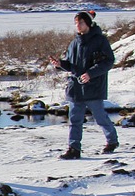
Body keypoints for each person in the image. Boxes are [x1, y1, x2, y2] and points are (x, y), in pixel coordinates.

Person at [48, 10, 118, 159]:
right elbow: (71, 66)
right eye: (76, 23)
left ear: (88, 23)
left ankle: (112, 141)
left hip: (93, 86)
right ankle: (74, 149)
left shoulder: (100, 40)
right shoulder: (74, 43)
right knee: (74, 120)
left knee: (100, 117)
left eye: (80, 22)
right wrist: (60, 64)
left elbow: (108, 61)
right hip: (76, 88)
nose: (78, 25)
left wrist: (90, 74)